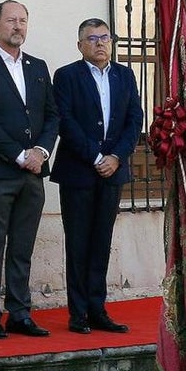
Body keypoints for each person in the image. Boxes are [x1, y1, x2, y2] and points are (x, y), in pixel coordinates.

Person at [0, 0, 59, 339]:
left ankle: (20, 313)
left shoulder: (38, 66)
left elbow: (52, 115)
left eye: (23, 21)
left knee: (23, 247)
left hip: (34, 174)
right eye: (11, 20)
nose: (17, 26)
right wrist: (21, 155)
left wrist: (41, 151)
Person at [50, 18, 143, 334]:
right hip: (78, 171)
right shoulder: (66, 76)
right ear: (80, 45)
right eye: (91, 38)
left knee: (101, 242)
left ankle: (97, 309)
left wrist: (116, 156)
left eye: (104, 37)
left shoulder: (124, 75)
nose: (99, 43)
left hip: (112, 173)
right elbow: (66, 122)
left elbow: (134, 120)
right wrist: (96, 156)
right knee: (78, 243)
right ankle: (78, 314)